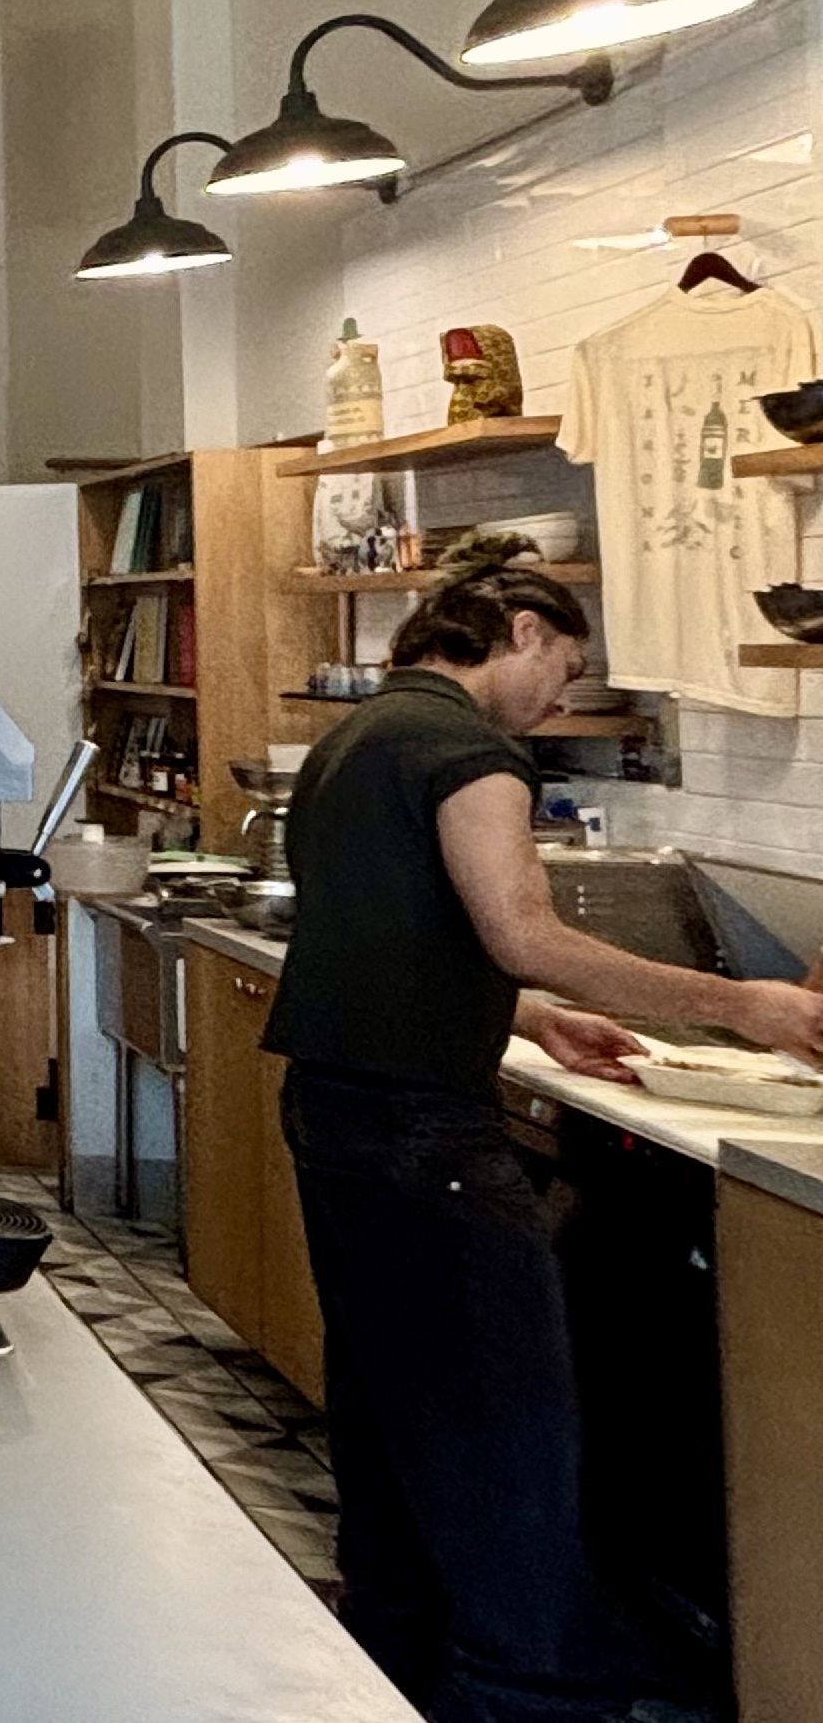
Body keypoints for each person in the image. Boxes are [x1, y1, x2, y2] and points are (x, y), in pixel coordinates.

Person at [270, 535, 823, 1723]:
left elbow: (387, 932)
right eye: (565, 668)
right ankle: (526, 1690)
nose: (565, 696)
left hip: (340, 1111)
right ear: (521, 632)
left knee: (390, 1407)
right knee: (502, 1424)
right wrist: (753, 1008)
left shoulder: (356, 739)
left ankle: (395, 1663)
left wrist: (531, 1018)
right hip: (424, 1134)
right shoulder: (471, 749)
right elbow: (522, 926)